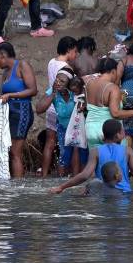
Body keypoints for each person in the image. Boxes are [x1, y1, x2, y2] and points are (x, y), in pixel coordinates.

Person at [50, 120, 133, 195]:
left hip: (102, 193)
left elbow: (84, 175)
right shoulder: (127, 150)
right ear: (117, 135)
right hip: (123, 193)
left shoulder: (95, 151)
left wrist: (61, 187)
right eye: (122, 131)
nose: (124, 133)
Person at [0, 42, 37, 177]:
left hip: (21, 111)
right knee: (8, 150)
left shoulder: (22, 66)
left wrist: (10, 95)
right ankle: (11, 183)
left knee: (15, 152)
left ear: (3, 55)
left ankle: (17, 188)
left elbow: (33, 90)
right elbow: (3, 94)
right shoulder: (5, 73)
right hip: (9, 113)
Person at [39, 37, 78, 177]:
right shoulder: (67, 68)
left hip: (51, 104)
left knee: (50, 142)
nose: (75, 55)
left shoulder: (51, 62)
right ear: (68, 50)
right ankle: (71, 174)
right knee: (71, 146)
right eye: (75, 51)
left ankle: (44, 174)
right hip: (63, 108)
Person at [85, 58, 133, 149]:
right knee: (118, 160)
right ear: (113, 71)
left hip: (90, 130)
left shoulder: (89, 83)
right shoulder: (112, 88)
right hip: (108, 131)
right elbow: (115, 113)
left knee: (98, 160)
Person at [36, 71, 83, 177]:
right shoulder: (53, 91)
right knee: (63, 154)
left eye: (62, 81)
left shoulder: (74, 91)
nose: (58, 82)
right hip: (62, 127)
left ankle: (76, 178)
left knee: (76, 150)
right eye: (57, 79)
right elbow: (39, 109)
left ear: (69, 84)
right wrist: (53, 93)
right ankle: (62, 180)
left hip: (78, 127)